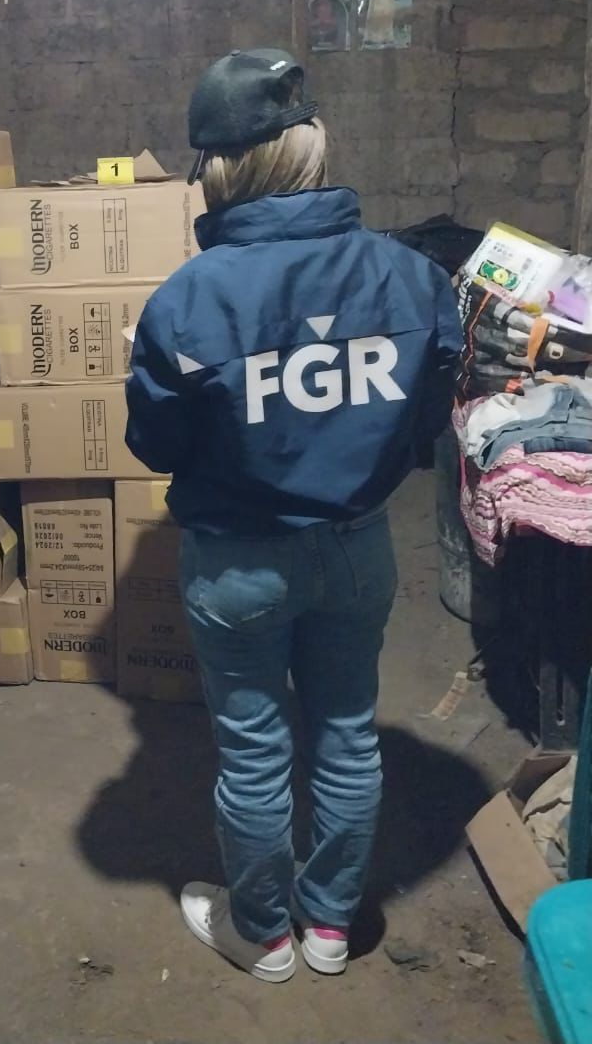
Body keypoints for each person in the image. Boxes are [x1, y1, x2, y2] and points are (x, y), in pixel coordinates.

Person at [125, 48, 463, 983]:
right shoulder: (410, 277)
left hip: (237, 563)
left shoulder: (189, 299)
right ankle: (330, 927)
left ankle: (263, 935)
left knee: (253, 752)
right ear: (312, 147)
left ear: (217, 170)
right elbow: (429, 418)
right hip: (357, 550)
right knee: (348, 733)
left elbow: (156, 443)